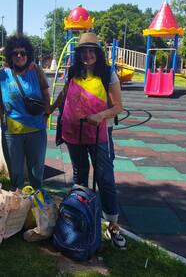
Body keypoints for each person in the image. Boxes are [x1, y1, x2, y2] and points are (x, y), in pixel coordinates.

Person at [47, 32, 127, 249]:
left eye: (92, 51)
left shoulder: (108, 75)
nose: (87, 55)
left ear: (98, 54)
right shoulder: (73, 72)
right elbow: (65, 95)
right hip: (75, 133)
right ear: (79, 53)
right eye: (84, 51)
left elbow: (118, 106)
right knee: (79, 176)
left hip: (99, 133)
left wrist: (100, 116)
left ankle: (113, 226)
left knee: (104, 177)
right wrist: (51, 109)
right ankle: (77, 219)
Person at [0, 35, 50, 190]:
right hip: (12, 132)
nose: (19, 56)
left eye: (23, 53)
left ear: (28, 55)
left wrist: (46, 115)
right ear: (10, 56)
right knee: (15, 172)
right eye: (15, 53)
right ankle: (17, 204)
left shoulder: (36, 70)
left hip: (36, 129)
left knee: (36, 171)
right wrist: (1, 118)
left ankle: (37, 203)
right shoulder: (3, 74)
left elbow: (46, 95)